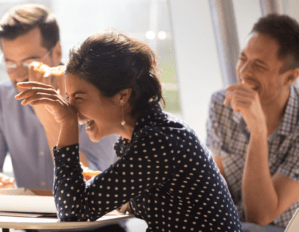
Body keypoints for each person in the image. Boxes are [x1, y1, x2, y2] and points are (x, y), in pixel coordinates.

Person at [16, 30, 243, 232]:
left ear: (122, 96)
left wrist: (65, 124)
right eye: (68, 97)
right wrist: (97, 181)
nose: (70, 109)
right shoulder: (150, 135)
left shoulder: (158, 142)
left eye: (79, 98)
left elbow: (73, 211)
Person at [0, 4, 117, 192]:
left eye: (30, 63)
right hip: (25, 218)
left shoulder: (96, 95)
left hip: (94, 219)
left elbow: (92, 184)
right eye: (10, 64)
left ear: (57, 53)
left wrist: (48, 116)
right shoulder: (1, 99)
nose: (19, 76)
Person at [206, 14, 299, 232]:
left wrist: (258, 132)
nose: (244, 72)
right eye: (243, 58)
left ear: (289, 78)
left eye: (259, 65)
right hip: (229, 223)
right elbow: (218, 186)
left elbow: (260, 215)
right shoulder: (222, 103)